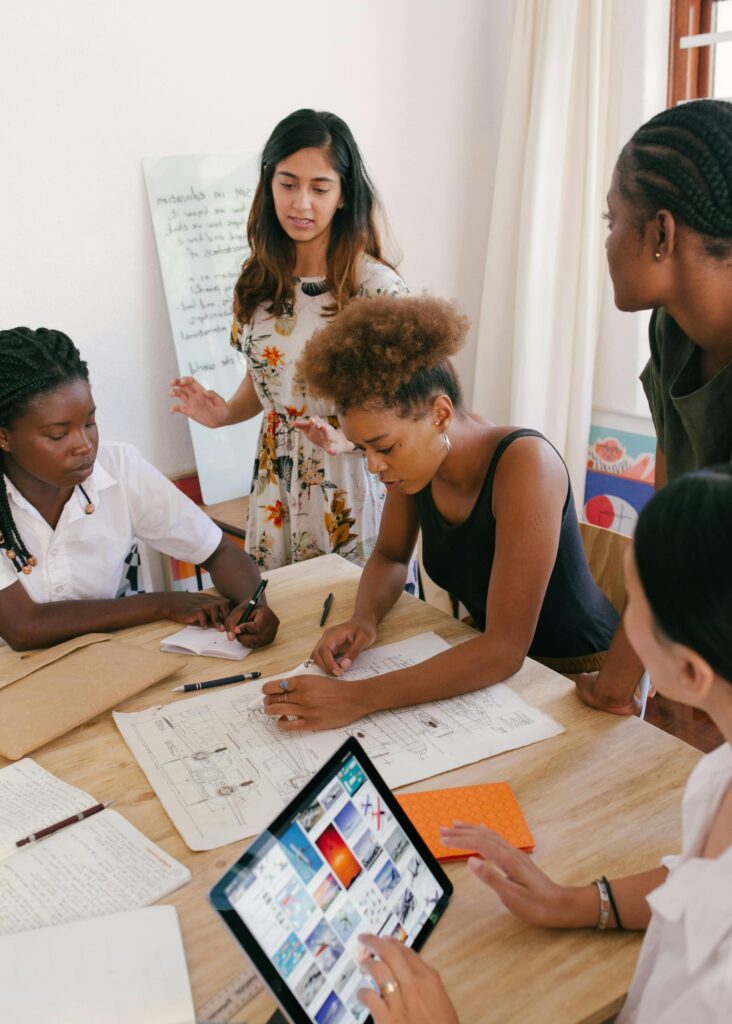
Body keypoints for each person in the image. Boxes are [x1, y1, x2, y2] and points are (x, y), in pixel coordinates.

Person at [355, 465, 732, 1024]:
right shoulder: (719, 770)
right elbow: (706, 888)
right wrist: (581, 902)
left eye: (634, 611)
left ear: (691, 672)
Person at [260, 295, 617, 731]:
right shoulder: (415, 467)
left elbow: (505, 650)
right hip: (486, 652)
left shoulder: (526, 465)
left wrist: (358, 697)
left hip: (577, 673)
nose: (373, 465)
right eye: (363, 448)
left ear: (440, 414)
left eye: (384, 447)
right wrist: (364, 619)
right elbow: (391, 556)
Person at [169, 108, 408, 574]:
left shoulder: (378, 291)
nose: (301, 203)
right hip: (277, 479)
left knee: (353, 624)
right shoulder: (256, 283)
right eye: (288, 183)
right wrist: (222, 414)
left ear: (343, 195)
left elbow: (411, 413)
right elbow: (267, 384)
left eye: (319, 188)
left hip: (353, 479)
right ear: (268, 185)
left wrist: (349, 441)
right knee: (284, 624)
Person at [579, 98, 732, 716]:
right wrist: (622, 683)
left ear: (662, 234)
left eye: (612, 220)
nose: (608, 241)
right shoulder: (670, 330)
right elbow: (668, 523)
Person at [0, 327, 278, 651]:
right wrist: (163, 604)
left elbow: (218, 550)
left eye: (89, 423)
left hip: (104, 659)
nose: (85, 445)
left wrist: (252, 603)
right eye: (58, 435)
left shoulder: (118, 467)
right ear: (4, 437)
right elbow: (22, 627)